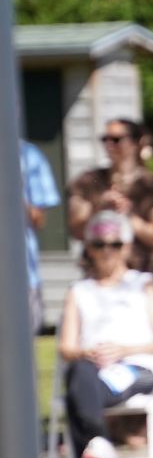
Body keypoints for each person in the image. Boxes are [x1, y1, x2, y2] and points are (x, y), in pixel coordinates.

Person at [43, 211, 153, 458]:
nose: (107, 251)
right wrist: (88, 352)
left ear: (126, 246)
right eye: (99, 244)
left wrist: (123, 349)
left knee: (78, 392)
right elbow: (67, 347)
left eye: (115, 244)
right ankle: (98, 446)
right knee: (80, 374)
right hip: (92, 369)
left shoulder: (143, 284)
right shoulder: (79, 291)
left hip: (136, 367)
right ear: (89, 248)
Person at [67, 118, 153, 284]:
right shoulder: (88, 182)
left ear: (135, 143)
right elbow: (76, 231)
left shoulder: (151, 186)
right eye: (105, 139)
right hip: (99, 279)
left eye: (116, 139)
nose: (109, 145)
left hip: (143, 274)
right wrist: (99, 210)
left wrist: (128, 215)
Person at [20, 138, 60, 332]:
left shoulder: (29, 155)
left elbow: (38, 219)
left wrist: (10, 190)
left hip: (22, 273)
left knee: (23, 339)